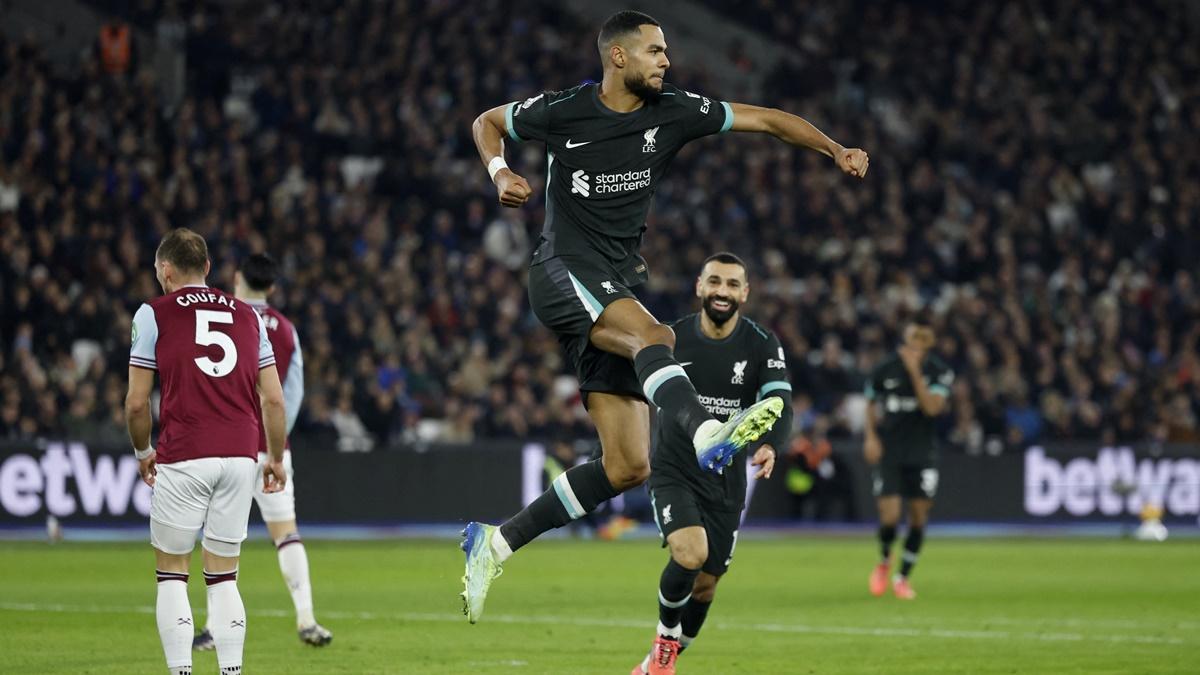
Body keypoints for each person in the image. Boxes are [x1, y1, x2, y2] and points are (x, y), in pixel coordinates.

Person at [462, 9, 867, 623]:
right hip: (562, 269)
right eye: (655, 51)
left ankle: (493, 543)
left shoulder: (674, 111)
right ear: (618, 57)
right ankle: (708, 433)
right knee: (655, 334)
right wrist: (499, 170)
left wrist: (834, 149)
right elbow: (487, 122)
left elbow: (764, 120)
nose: (667, 61)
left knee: (628, 465)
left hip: (613, 283)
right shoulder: (565, 110)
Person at [126, 228, 287, 675]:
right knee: (223, 577)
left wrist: (143, 451)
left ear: (167, 270)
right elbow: (274, 399)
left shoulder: (153, 313)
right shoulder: (249, 316)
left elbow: (137, 402)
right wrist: (274, 457)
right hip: (240, 457)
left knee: (173, 574)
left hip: (184, 452)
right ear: (210, 269)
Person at [632, 252, 792, 675]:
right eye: (715, 282)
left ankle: (652, 665)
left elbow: (781, 402)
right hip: (674, 468)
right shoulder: (670, 337)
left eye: (732, 284)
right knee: (690, 553)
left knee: (705, 585)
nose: (723, 291)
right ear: (700, 287)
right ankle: (664, 644)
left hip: (725, 480)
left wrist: (771, 444)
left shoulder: (761, 344)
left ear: (745, 293)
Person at [193, 254, 332, 651]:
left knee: (218, 540)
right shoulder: (286, 330)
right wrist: (274, 443)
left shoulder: (222, 318)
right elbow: (292, 393)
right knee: (286, 534)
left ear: (236, 278)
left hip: (224, 446)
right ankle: (306, 618)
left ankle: (213, 630)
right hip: (271, 448)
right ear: (271, 287)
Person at [863, 312, 954, 599]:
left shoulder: (938, 371)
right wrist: (870, 436)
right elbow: (869, 400)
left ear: (930, 341)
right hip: (890, 450)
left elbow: (932, 409)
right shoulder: (885, 368)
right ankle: (885, 560)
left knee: (917, 517)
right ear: (906, 335)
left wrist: (915, 372)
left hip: (922, 452)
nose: (917, 341)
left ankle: (902, 577)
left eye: (922, 337)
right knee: (889, 515)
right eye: (913, 335)